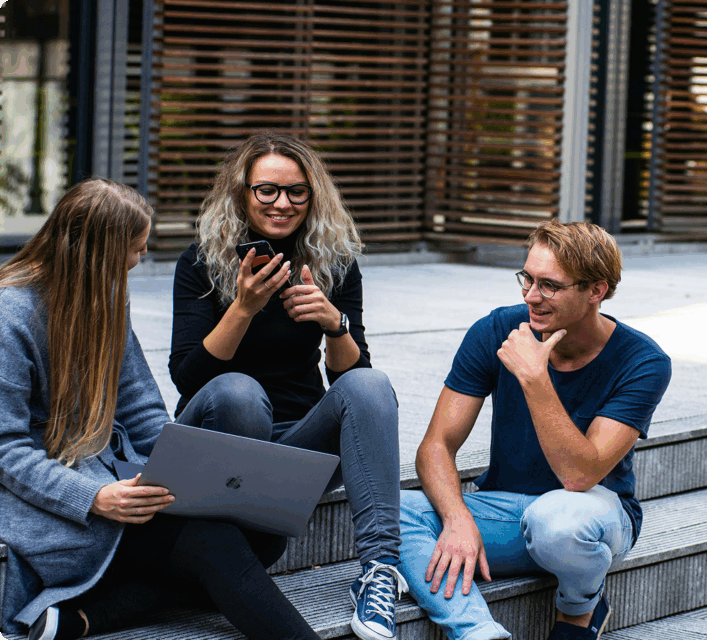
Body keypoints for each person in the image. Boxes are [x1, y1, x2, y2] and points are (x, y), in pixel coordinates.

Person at [0, 179, 323, 640]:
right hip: (56, 498)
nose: (144, 254)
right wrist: (94, 497)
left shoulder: (107, 295)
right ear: (100, 253)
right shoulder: (10, 315)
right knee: (214, 544)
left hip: (117, 476)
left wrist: (183, 471)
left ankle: (86, 618)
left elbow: (140, 407)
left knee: (264, 536)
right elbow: (7, 450)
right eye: (136, 247)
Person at [168, 131, 404, 640]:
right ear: (242, 192)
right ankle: (234, 546)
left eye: (297, 191)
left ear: (313, 195)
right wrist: (243, 308)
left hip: (296, 446)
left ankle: (380, 570)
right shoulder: (202, 262)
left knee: (371, 385)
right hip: (219, 440)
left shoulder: (333, 262)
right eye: (267, 190)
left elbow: (351, 380)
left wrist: (334, 323)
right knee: (239, 392)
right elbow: (186, 377)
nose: (282, 203)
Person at [398, 221, 672, 640]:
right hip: (506, 510)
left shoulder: (642, 361)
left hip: (590, 518)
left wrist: (534, 378)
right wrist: (456, 518)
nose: (530, 296)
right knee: (394, 511)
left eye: (549, 286)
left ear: (596, 290)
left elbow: (579, 476)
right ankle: (477, 632)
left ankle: (579, 610)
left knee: (557, 521)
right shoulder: (496, 330)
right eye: (527, 278)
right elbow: (436, 445)